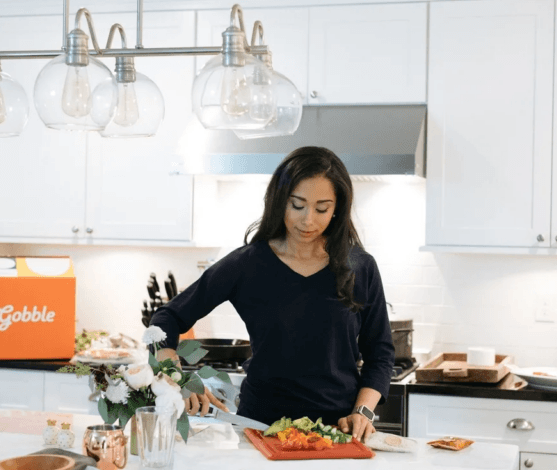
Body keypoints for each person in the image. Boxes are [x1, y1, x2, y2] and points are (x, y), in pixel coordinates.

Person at [149, 146, 394, 442]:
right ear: (280, 201)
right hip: (259, 428)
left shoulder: (359, 266)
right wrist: (179, 379)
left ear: (337, 208)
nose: (308, 220)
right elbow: (166, 319)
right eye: (297, 205)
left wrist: (363, 412)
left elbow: (380, 354)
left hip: (335, 433)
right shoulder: (247, 263)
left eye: (321, 208)